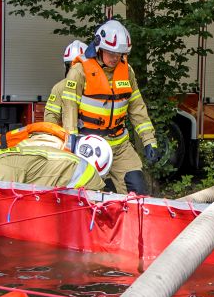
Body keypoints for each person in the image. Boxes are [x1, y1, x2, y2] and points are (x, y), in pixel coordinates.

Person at [57, 19, 157, 194]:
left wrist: (149, 140)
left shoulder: (127, 71)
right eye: (111, 53)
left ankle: (129, 221)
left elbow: (137, 108)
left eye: (119, 54)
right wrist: (71, 140)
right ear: (99, 47)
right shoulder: (79, 72)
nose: (115, 58)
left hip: (120, 145)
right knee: (91, 193)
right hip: (90, 143)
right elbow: (69, 108)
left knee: (137, 189)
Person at [0, 122, 111, 191]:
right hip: (79, 178)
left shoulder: (0, 172)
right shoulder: (1, 162)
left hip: (83, 183)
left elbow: (5, 213)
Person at [43, 39, 87, 125]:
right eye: (71, 66)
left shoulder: (59, 87)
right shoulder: (59, 87)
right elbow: (51, 119)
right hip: (73, 135)